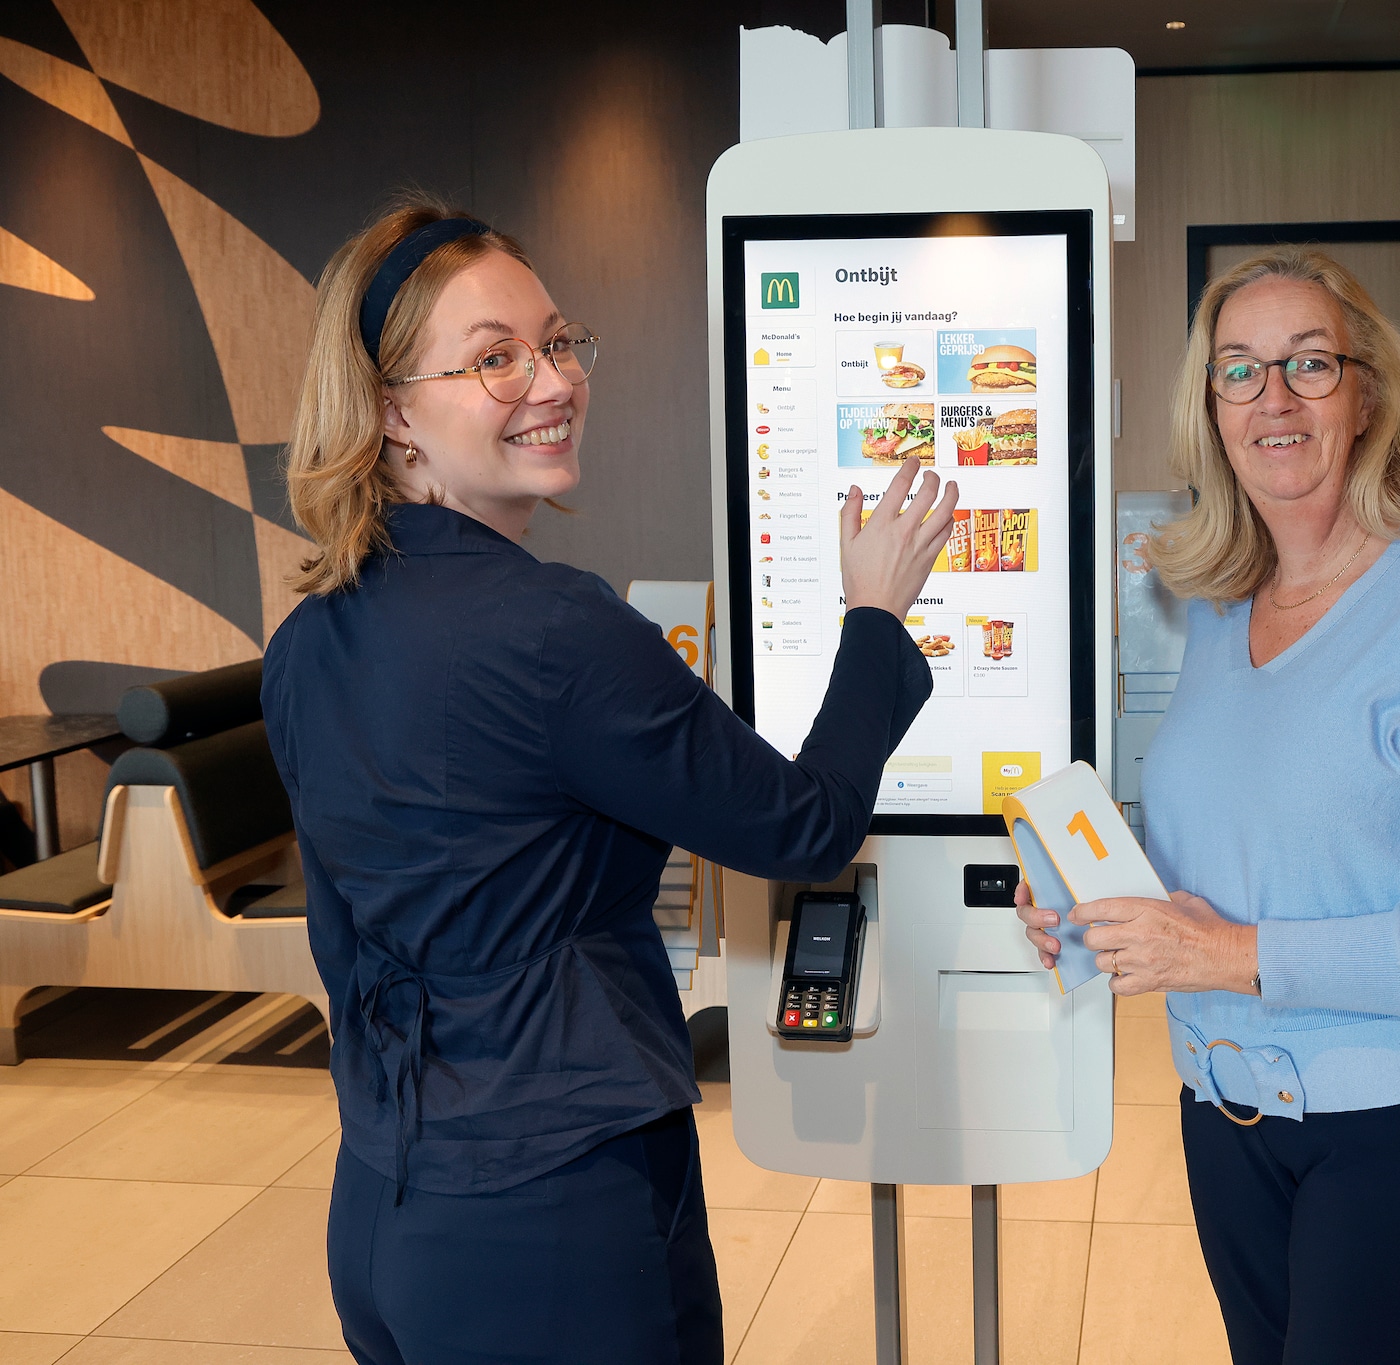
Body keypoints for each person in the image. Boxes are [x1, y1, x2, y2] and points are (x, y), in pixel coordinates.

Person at [264, 199, 956, 1364]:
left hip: (385, 1204)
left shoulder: (306, 638)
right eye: (492, 359)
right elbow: (802, 827)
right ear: (391, 414)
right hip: (555, 1214)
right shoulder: (554, 629)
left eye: (554, 341)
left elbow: (346, 931)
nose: (550, 380)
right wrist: (875, 617)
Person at [1016, 246, 1400, 1364]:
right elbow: (1242, 846)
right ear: (1208, 406)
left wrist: (1233, 956)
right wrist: (1097, 914)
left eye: (1307, 364)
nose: (1270, 398)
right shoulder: (1225, 603)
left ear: (1366, 393)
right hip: (1229, 1121)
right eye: (1237, 370)